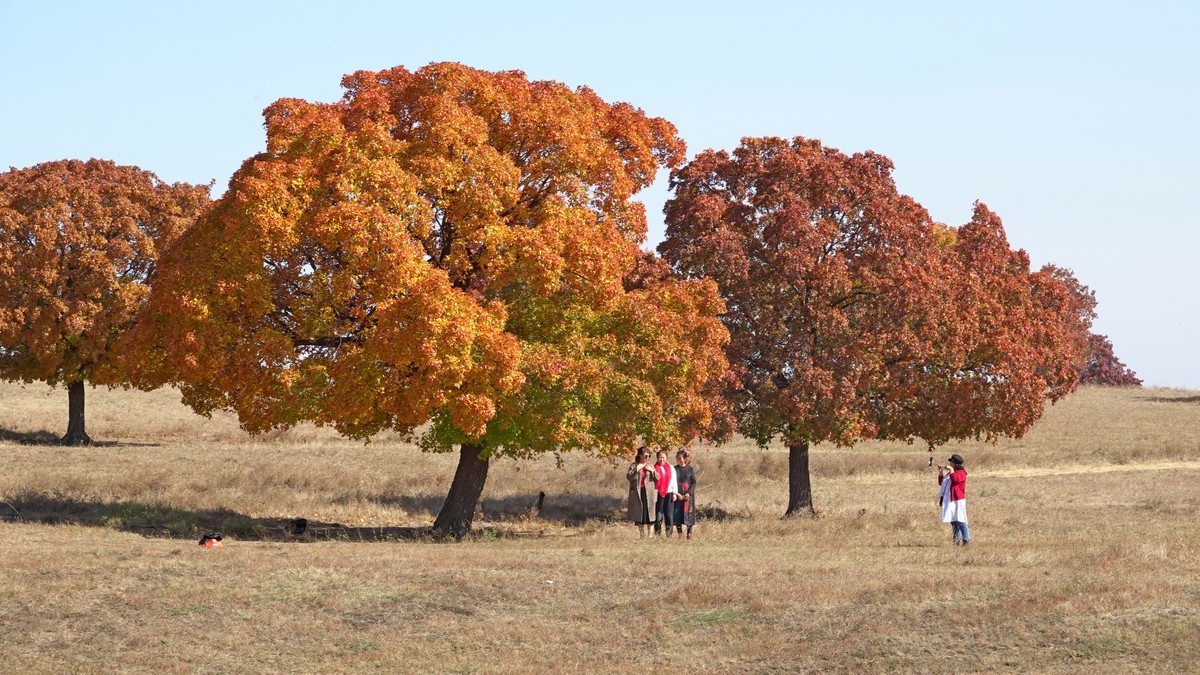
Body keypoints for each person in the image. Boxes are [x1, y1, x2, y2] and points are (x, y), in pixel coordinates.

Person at [937, 453, 970, 545]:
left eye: (951, 462)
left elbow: (955, 480)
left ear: (954, 463)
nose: (949, 463)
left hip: (957, 499)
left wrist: (951, 470)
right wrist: (941, 473)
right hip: (949, 499)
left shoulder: (961, 473)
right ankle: (956, 540)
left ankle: (966, 539)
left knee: (960, 520)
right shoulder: (950, 473)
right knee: (953, 521)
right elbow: (942, 483)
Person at [626, 446, 658, 537]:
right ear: (640, 455)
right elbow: (629, 477)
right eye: (646, 456)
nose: (647, 458)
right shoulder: (634, 465)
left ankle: (650, 535)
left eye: (649, 456)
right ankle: (642, 534)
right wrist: (637, 469)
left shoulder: (650, 465)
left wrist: (652, 471)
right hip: (638, 493)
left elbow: (658, 478)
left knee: (650, 513)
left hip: (649, 493)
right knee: (640, 514)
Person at [672, 448, 697, 540]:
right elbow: (672, 482)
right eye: (677, 458)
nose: (678, 459)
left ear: (684, 459)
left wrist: (689, 493)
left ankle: (689, 534)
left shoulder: (690, 469)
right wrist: (676, 493)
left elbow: (694, 482)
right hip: (678, 495)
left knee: (689, 515)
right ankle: (680, 534)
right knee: (677, 514)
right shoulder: (674, 469)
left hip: (688, 496)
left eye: (680, 458)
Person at [652, 449, 678, 536]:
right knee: (658, 514)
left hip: (669, 493)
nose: (661, 460)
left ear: (666, 458)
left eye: (663, 458)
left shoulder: (671, 468)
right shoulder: (654, 468)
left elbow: (674, 481)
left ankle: (669, 534)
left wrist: (675, 493)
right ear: (657, 458)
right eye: (660, 458)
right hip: (658, 494)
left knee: (669, 515)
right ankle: (657, 533)